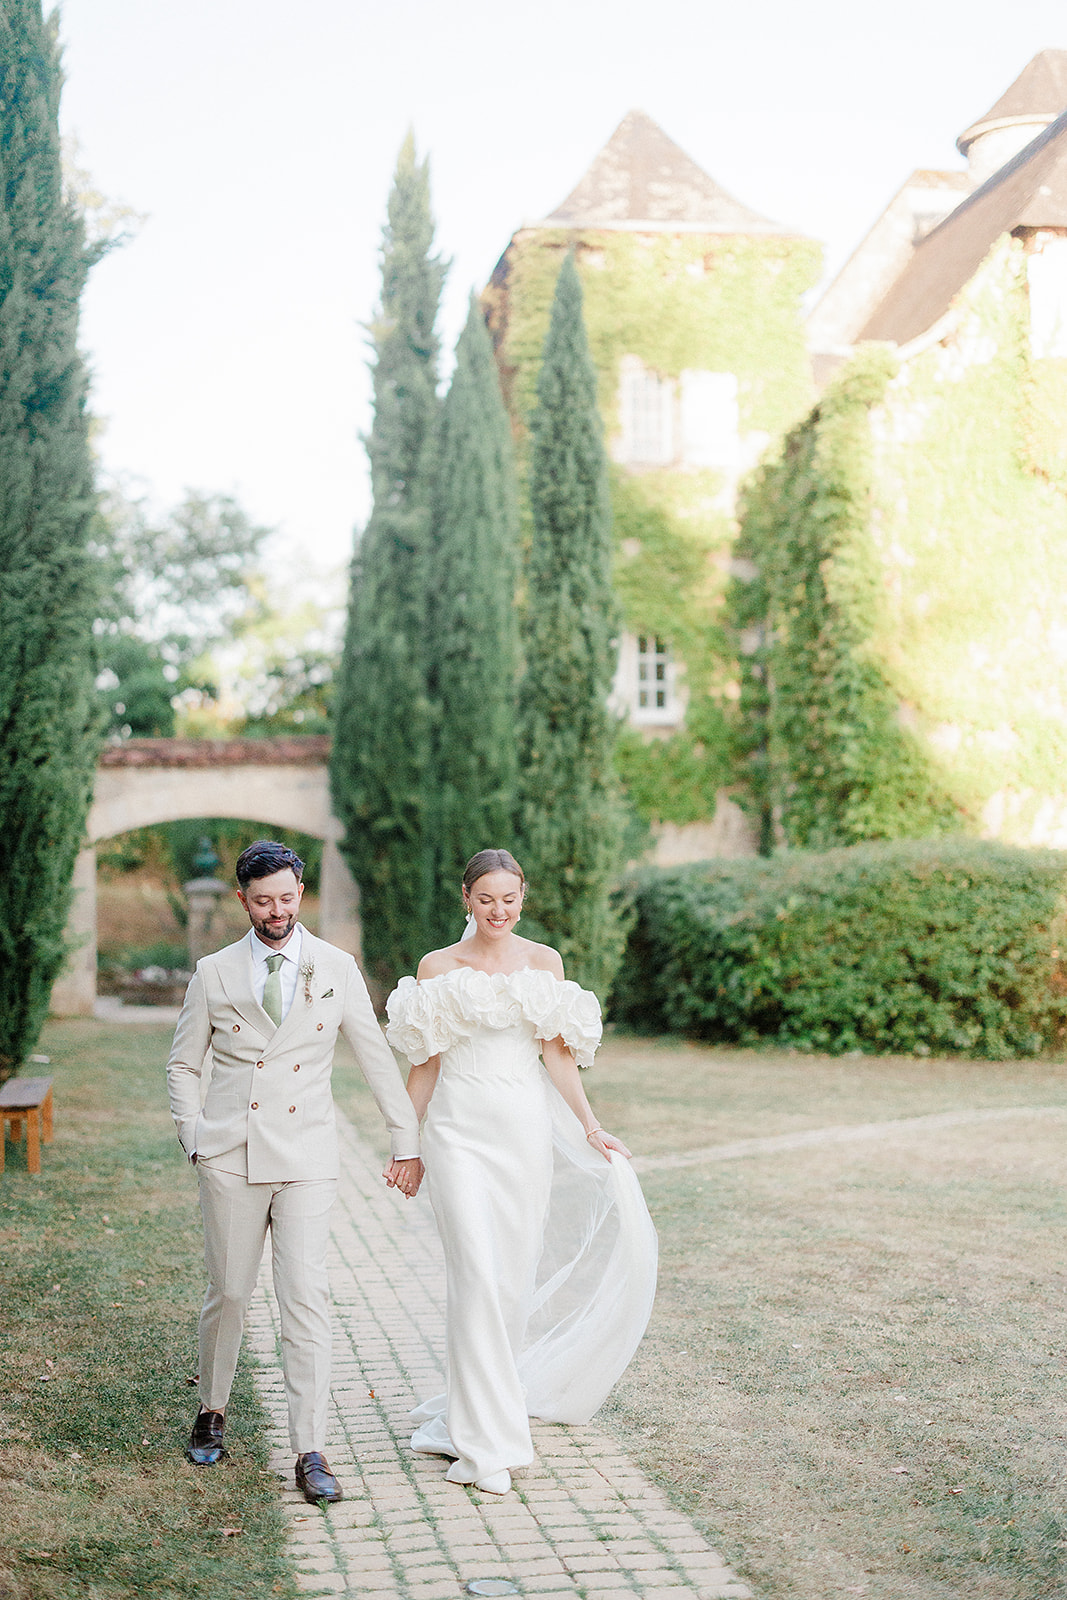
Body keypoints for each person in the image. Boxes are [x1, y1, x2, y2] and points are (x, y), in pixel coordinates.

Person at [385, 847, 657, 1496]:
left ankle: (481, 1411)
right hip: (457, 1136)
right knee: (476, 1277)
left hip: (522, 1135)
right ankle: (485, 1447)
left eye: (509, 899)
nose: (498, 910)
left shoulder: (544, 963)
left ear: (522, 898)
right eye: (485, 900)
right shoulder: (436, 968)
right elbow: (424, 1065)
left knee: (508, 1283)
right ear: (466, 900)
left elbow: (557, 1057)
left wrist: (590, 1126)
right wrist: (405, 1143)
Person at [166, 839, 423, 1504]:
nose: (275, 911)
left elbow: (371, 1054)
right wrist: (194, 1135)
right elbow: (183, 1063)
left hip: (307, 1156)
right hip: (230, 1154)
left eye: (285, 898)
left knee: (305, 1299)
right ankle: (212, 1409)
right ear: (242, 900)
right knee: (228, 1292)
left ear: (299, 895)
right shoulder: (214, 971)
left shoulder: (335, 965)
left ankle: (311, 1448)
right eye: (262, 901)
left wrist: (404, 1138)